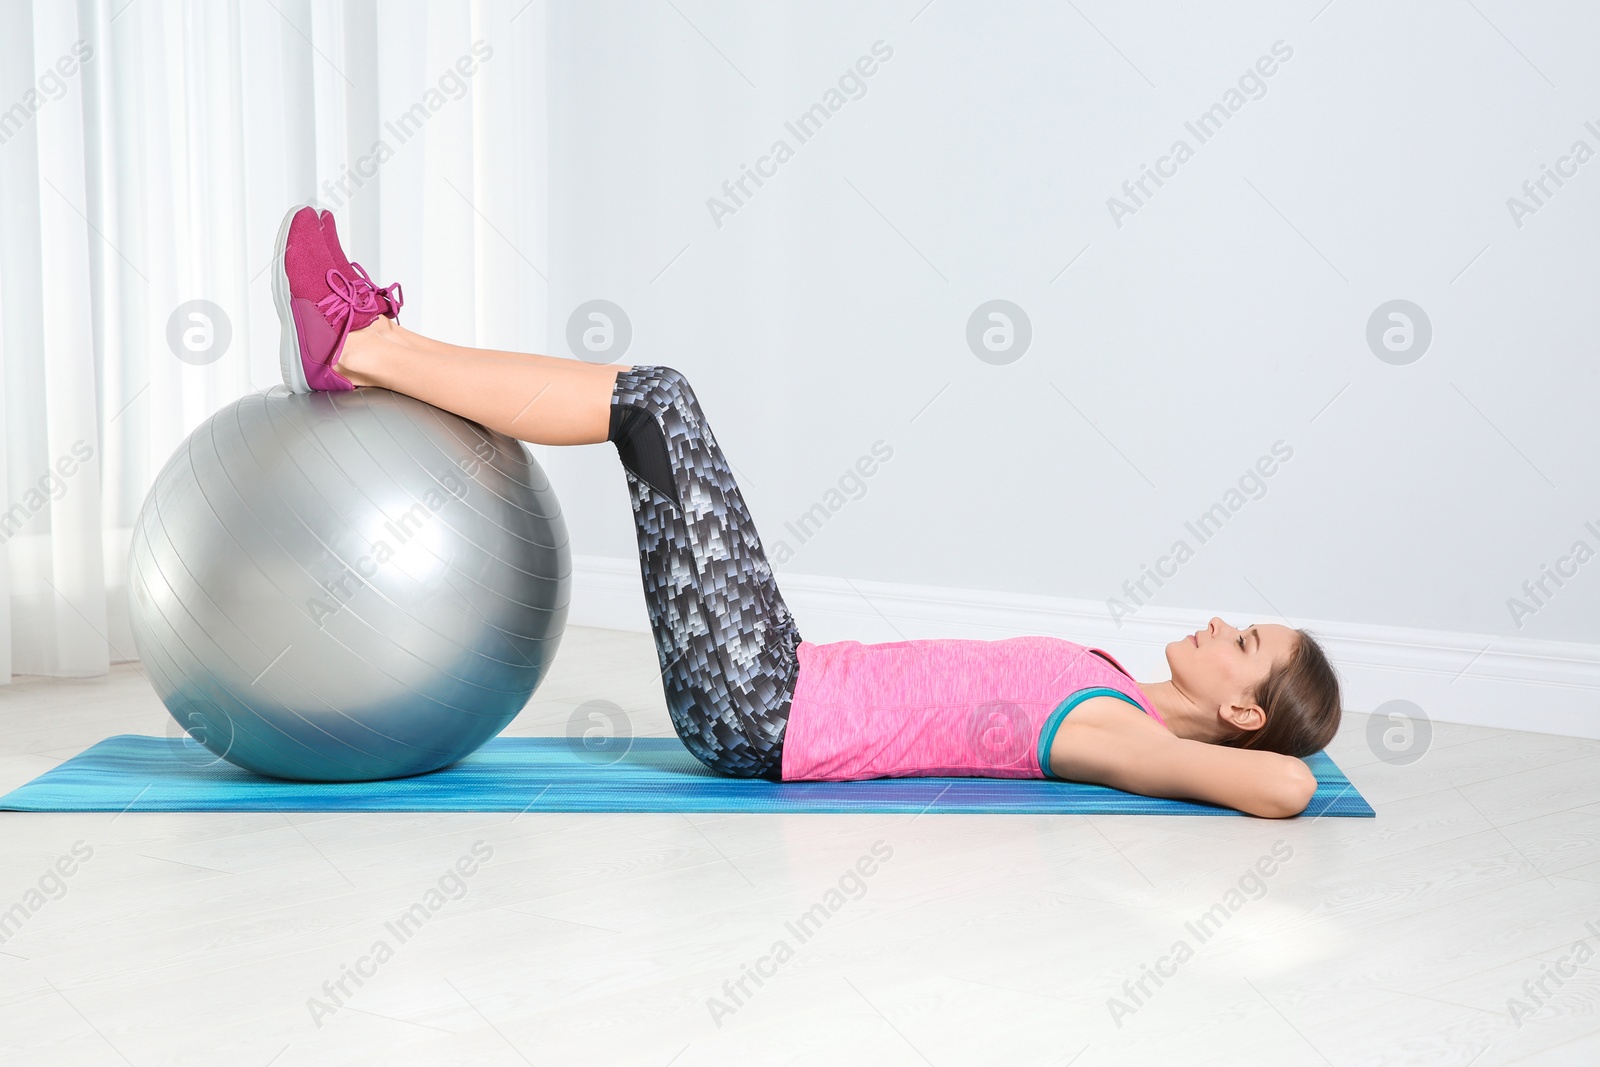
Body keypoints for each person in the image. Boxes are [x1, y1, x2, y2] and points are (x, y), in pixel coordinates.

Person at [272, 205, 1340, 819]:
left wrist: (1276, 753)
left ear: (1243, 711)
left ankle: (365, 346)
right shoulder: (1111, 681)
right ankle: (370, 347)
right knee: (661, 402)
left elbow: (1287, 789)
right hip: (788, 669)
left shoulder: (1116, 729)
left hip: (764, 706)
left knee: (657, 401)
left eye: (1241, 641)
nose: (1215, 621)